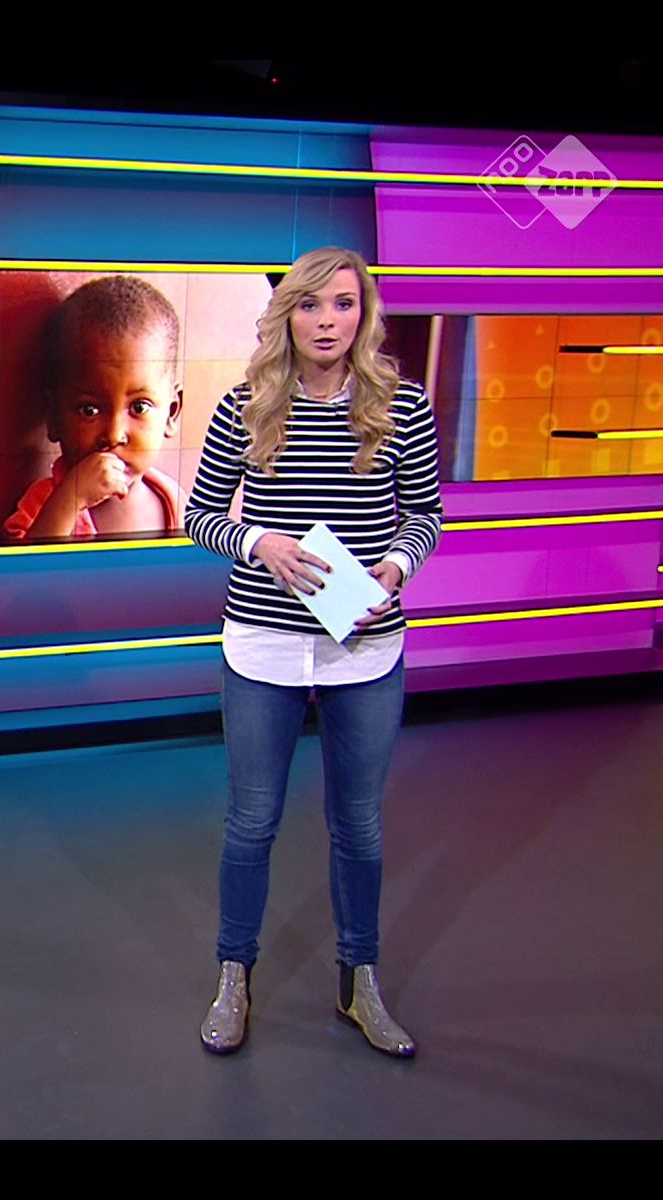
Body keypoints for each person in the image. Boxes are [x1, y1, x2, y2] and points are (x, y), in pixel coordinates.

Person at [183, 246, 443, 1057]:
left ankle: (360, 983)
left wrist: (395, 568)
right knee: (251, 822)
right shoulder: (245, 406)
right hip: (263, 647)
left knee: (358, 825)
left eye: (343, 304)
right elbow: (199, 515)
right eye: (310, 305)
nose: (327, 321)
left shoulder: (403, 406)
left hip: (364, 649)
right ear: (285, 315)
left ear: (364, 315)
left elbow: (425, 515)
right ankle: (234, 978)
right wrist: (258, 542)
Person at [5, 276, 184, 539]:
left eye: (139, 407)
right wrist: (71, 499)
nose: (114, 435)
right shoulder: (45, 506)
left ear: (170, 414)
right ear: (54, 417)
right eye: (89, 410)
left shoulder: (174, 503)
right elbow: (26, 566)